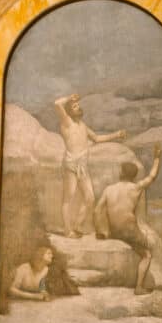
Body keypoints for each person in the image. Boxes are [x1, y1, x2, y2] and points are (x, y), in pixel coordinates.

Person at [55, 93, 126, 238]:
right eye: (75, 106)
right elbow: (57, 104)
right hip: (71, 165)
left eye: (78, 105)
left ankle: (78, 226)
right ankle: (68, 231)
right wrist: (69, 98)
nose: (78, 107)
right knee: (68, 198)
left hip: (83, 165)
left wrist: (116, 135)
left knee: (90, 198)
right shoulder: (67, 123)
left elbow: (97, 138)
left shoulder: (83, 126)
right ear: (69, 111)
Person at [94, 147, 162, 295]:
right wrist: (156, 158)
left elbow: (97, 210)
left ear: (120, 173)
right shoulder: (136, 187)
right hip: (129, 231)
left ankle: (138, 285)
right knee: (147, 254)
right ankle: (139, 287)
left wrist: (101, 231)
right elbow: (152, 176)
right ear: (134, 176)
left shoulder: (109, 189)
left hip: (114, 231)